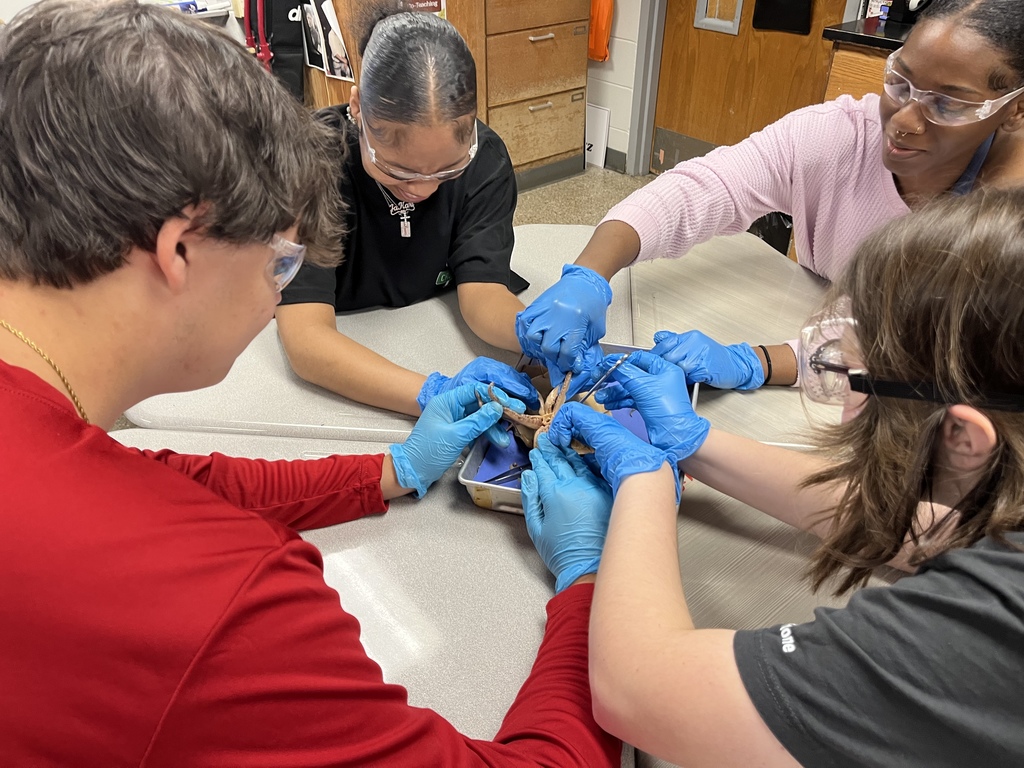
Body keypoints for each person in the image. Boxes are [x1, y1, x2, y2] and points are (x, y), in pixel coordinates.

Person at [0, 3, 620, 765]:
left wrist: (392, 470)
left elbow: (170, 483)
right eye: (282, 261)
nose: (279, 290)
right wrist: (592, 586)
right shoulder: (232, 606)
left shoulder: (45, 430)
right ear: (179, 253)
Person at [526, 188, 1024, 766]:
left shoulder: (974, 637)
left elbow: (638, 692)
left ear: (962, 437)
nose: (841, 404)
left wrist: (644, 483)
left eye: (850, 379)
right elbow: (935, 529)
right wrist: (693, 443)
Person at [516, 0, 1024, 393]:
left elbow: (913, 347)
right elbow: (708, 186)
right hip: (818, 343)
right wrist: (589, 274)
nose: (906, 120)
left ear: (1014, 109)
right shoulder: (839, 136)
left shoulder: (1003, 225)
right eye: (901, 82)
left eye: (948, 105)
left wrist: (757, 362)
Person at [277, 0, 534, 418]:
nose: (423, 188)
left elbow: (483, 293)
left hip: (429, 327)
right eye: (398, 170)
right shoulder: (308, 164)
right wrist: (434, 395)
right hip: (351, 343)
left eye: (448, 170)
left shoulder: (485, 159)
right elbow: (307, 338)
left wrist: (538, 337)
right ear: (357, 108)